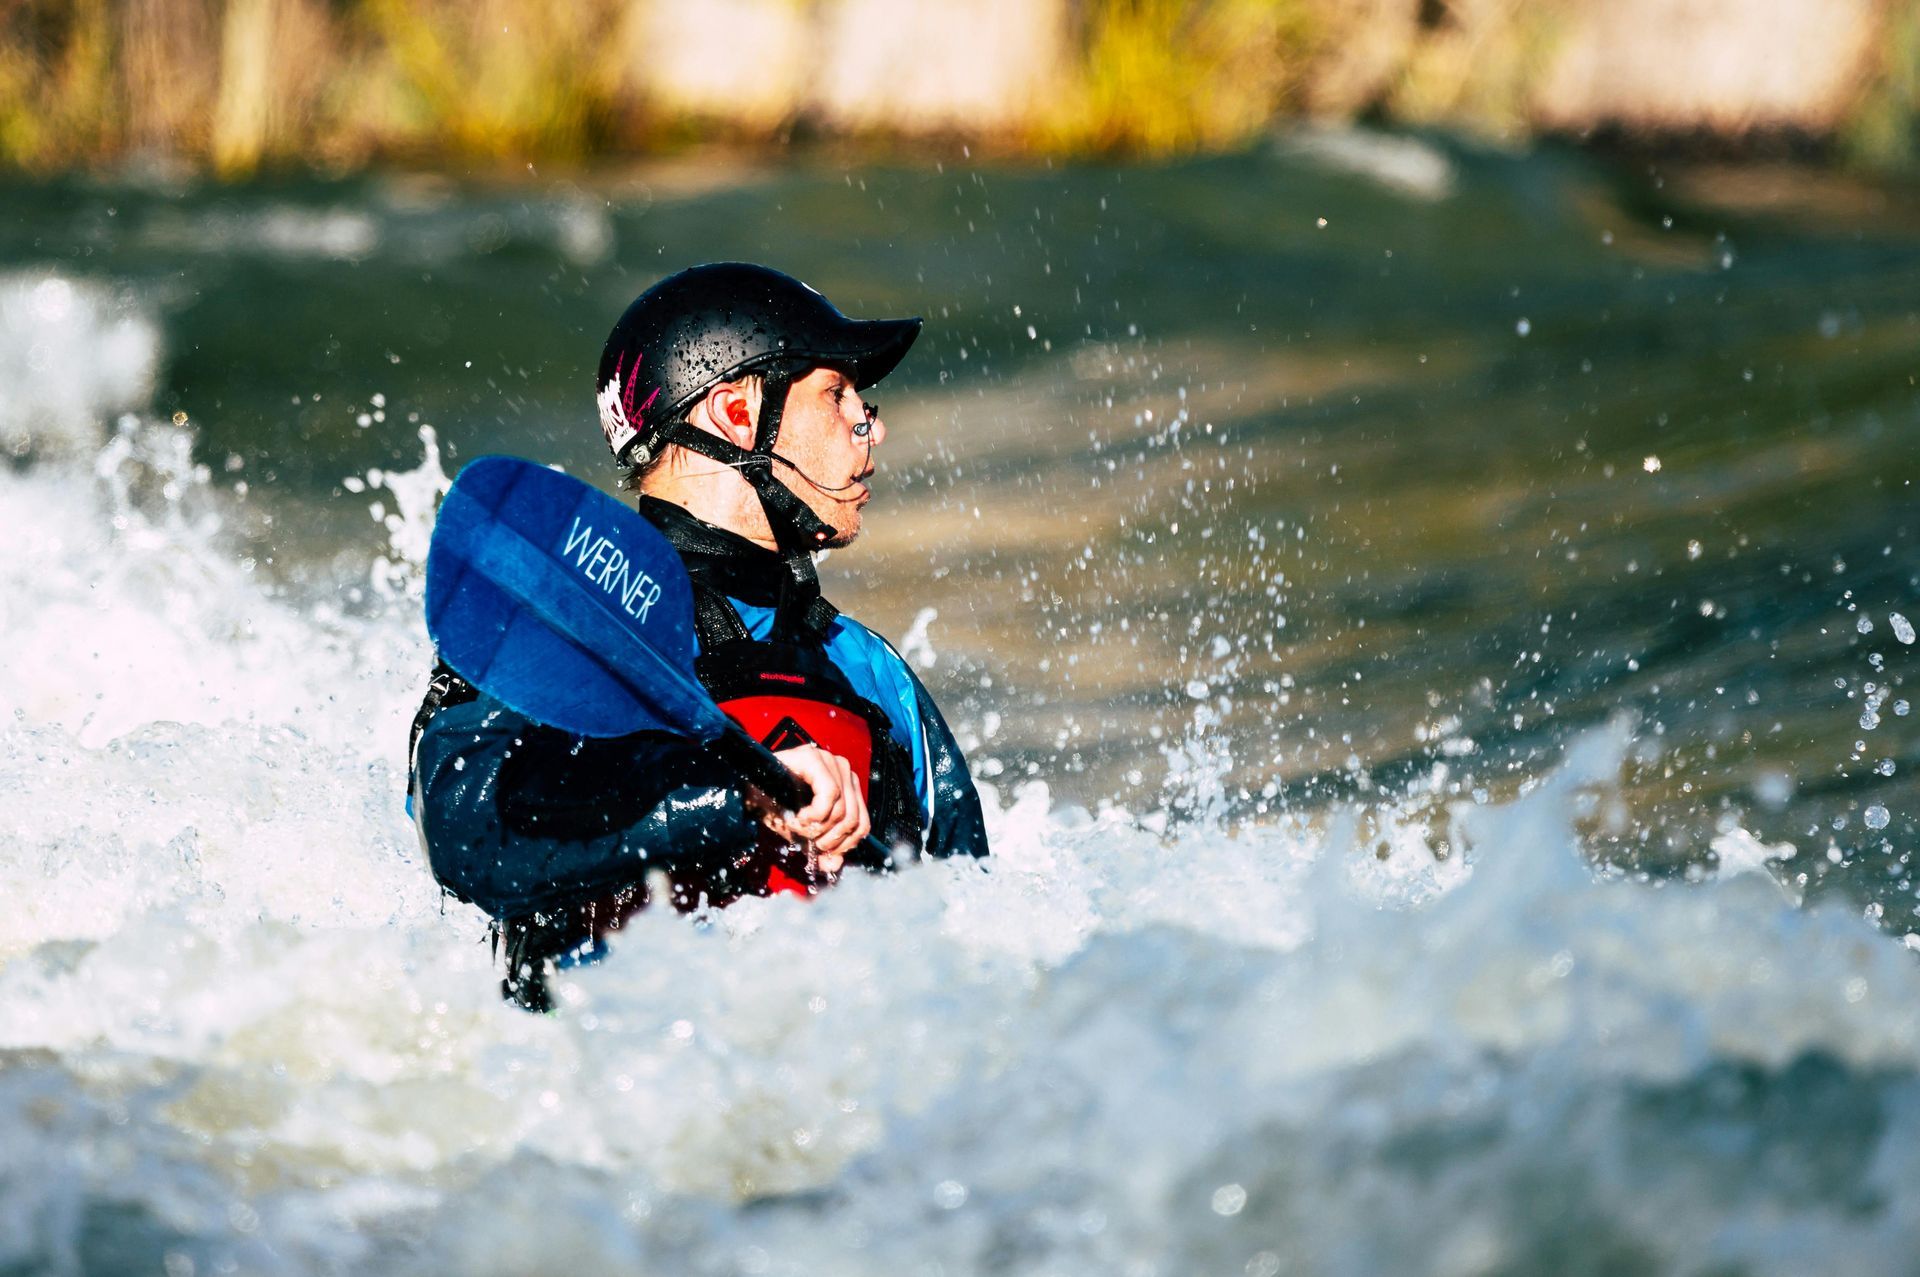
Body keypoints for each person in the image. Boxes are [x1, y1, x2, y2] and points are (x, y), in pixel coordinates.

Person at [408, 262, 990, 1009]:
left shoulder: (871, 672)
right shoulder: (561, 614)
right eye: (836, 394)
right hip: (597, 1082)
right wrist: (734, 799)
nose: (870, 427)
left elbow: (976, 929)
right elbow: (463, 834)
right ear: (736, 414)